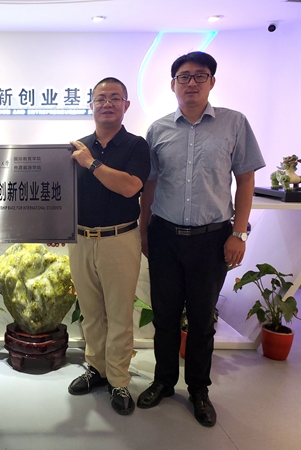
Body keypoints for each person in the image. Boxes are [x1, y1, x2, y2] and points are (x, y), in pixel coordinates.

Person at [137, 52, 265, 427]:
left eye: (200, 75)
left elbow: (245, 180)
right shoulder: (158, 129)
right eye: (184, 76)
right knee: (164, 316)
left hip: (212, 239)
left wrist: (239, 232)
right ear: (172, 84)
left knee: (201, 320)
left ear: (212, 81)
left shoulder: (234, 123)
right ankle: (163, 381)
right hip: (164, 236)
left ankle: (198, 390)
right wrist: (144, 229)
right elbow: (150, 184)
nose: (191, 82)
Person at [63, 77, 150, 415]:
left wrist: (91, 164)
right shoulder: (77, 146)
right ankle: (96, 369)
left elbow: (130, 187)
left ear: (126, 105)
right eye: (101, 98)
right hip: (81, 240)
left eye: (115, 98)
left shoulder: (136, 146)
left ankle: (118, 380)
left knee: (119, 314)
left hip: (120, 239)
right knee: (91, 312)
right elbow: (65, 195)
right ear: (91, 105)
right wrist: (58, 225)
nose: (107, 104)